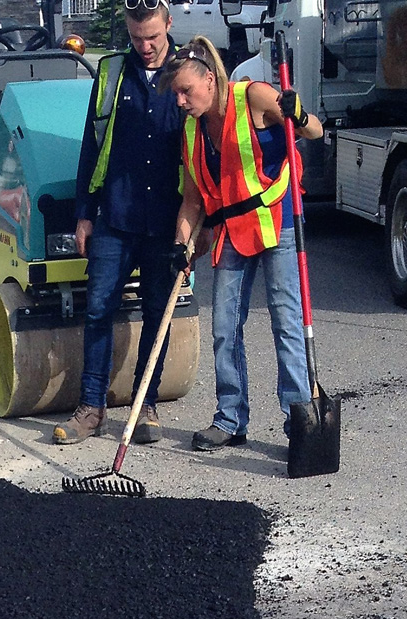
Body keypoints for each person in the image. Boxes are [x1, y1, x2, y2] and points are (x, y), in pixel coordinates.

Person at [162, 36, 324, 451]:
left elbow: (315, 131)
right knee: (224, 328)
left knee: (287, 323)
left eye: (186, 90)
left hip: (277, 223)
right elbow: (193, 199)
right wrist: (182, 244)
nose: (180, 101)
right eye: (176, 93)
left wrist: (297, 112)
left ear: (210, 80)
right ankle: (230, 419)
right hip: (233, 231)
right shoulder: (192, 130)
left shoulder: (252, 95)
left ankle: (299, 419)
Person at [52, 0, 185, 446]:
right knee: (98, 309)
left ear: (169, 24)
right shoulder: (111, 74)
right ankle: (91, 407)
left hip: (167, 220)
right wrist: (84, 214)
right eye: (135, 38)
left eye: (153, 38)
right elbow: (91, 147)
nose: (145, 47)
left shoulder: (189, 75)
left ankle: (143, 404)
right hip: (116, 214)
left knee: (156, 312)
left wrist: (202, 224)